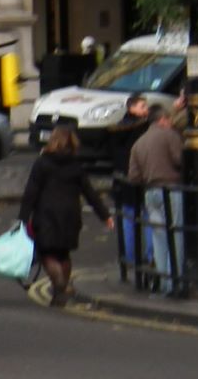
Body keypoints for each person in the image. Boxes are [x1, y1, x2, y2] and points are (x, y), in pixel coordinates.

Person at [21, 124, 112, 307]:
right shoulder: (75, 165)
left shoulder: (42, 163)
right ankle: (59, 292)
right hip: (71, 215)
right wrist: (105, 215)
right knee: (63, 254)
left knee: (47, 253)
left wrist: (22, 219)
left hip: (46, 213)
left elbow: (31, 192)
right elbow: (90, 193)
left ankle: (60, 287)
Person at [127, 104, 184, 296]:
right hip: (171, 189)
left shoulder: (139, 143)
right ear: (162, 120)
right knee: (175, 234)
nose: (170, 123)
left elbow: (133, 176)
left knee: (158, 237)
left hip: (149, 192)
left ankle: (163, 281)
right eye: (168, 120)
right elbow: (180, 160)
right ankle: (175, 281)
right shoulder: (171, 136)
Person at [109, 93, 152, 278]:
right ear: (131, 108)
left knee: (128, 220)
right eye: (142, 106)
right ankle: (151, 256)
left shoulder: (116, 129)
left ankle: (130, 258)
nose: (146, 110)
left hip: (123, 180)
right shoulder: (143, 129)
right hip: (141, 179)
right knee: (150, 219)